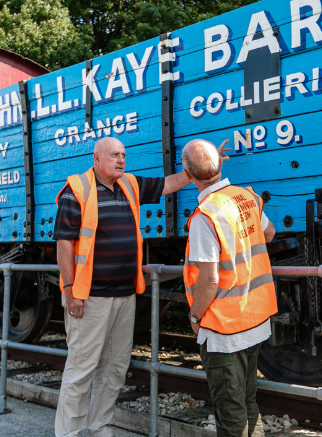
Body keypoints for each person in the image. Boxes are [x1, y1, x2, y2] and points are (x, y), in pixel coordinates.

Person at [53, 136, 227, 437]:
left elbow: (167, 184)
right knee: (82, 369)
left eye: (123, 154)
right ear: (96, 159)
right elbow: (64, 245)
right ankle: (68, 433)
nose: (121, 160)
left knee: (115, 367)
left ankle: (98, 427)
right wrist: (70, 292)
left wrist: (203, 167)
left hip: (124, 295)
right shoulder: (77, 191)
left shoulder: (129, 185)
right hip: (89, 297)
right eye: (113, 155)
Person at [181, 139, 278, 437]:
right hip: (255, 318)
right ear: (220, 164)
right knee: (248, 401)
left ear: (188, 174)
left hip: (224, 329)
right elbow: (270, 233)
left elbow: (209, 280)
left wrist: (195, 317)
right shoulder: (246, 198)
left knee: (230, 411)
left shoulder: (205, 216)